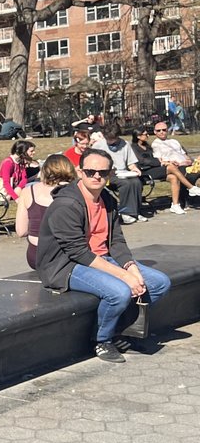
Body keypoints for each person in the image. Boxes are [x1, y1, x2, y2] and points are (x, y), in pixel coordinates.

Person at [36, 149, 172, 363]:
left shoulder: (106, 199)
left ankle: (119, 330)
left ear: (110, 174)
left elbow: (116, 240)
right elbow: (78, 252)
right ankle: (102, 340)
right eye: (90, 171)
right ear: (80, 172)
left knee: (158, 283)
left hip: (101, 258)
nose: (97, 176)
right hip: (66, 266)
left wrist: (131, 268)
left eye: (103, 172)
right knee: (119, 292)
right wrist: (125, 277)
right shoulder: (66, 204)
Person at [16, 154, 75, 269]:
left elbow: (21, 231)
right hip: (66, 254)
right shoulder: (75, 190)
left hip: (36, 254)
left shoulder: (28, 191)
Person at [132, 125, 196, 214]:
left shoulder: (147, 146)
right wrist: (161, 163)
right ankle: (191, 187)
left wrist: (164, 162)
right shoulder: (134, 147)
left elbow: (156, 158)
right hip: (144, 172)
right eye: (145, 134)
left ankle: (175, 205)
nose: (148, 136)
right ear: (138, 136)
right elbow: (143, 161)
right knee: (171, 167)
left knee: (173, 177)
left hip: (155, 169)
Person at [99, 122, 146, 224]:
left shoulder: (125, 144)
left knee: (137, 182)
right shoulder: (99, 145)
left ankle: (135, 211)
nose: (111, 141)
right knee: (126, 184)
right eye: (109, 139)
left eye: (113, 139)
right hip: (109, 174)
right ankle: (125, 212)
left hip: (124, 172)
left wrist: (134, 168)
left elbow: (131, 163)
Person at [150, 119, 200, 204]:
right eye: (159, 130)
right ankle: (187, 196)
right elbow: (159, 160)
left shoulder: (174, 141)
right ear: (155, 132)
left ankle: (191, 194)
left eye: (164, 130)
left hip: (186, 164)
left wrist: (188, 160)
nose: (162, 132)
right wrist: (171, 162)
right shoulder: (155, 145)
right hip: (175, 167)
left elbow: (184, 154)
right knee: (191, 175)